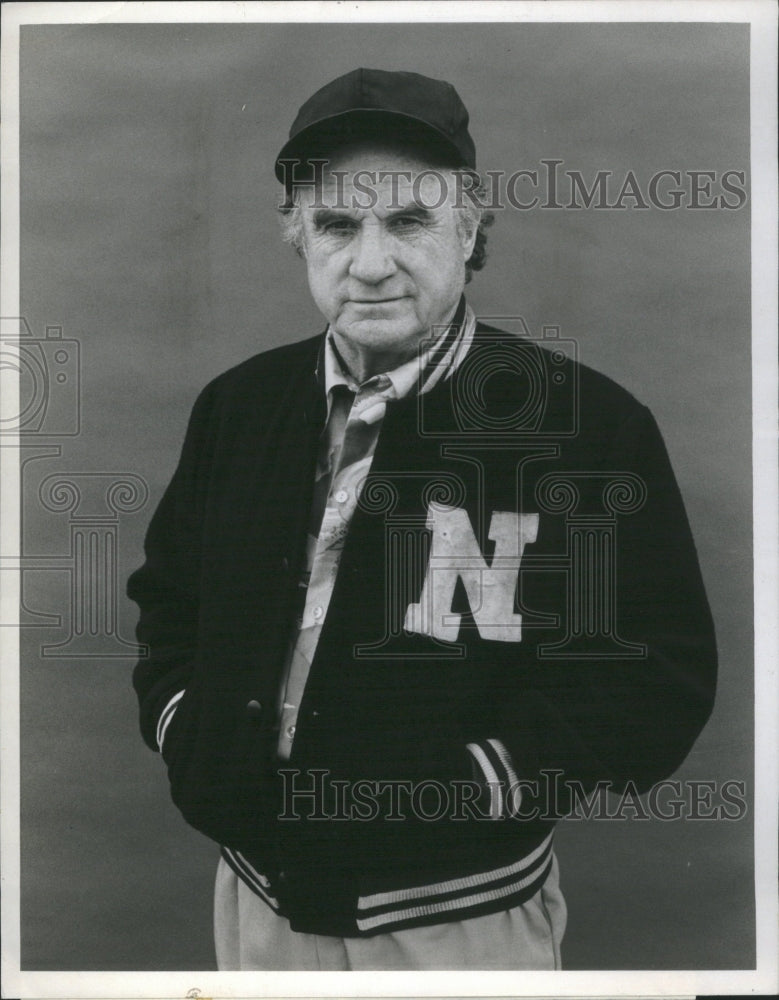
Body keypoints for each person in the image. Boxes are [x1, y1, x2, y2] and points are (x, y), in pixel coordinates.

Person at [128, 68, 717, 971]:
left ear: (470, 230)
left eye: (408, 221)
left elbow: (652, 683)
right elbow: (168, 607)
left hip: (459, 917)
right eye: (335, 225)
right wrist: (193, 738)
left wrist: (461, 792)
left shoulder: (587, 428)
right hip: (256, 900)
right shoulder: (237, 407)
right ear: (296, 236)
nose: (369, 263)